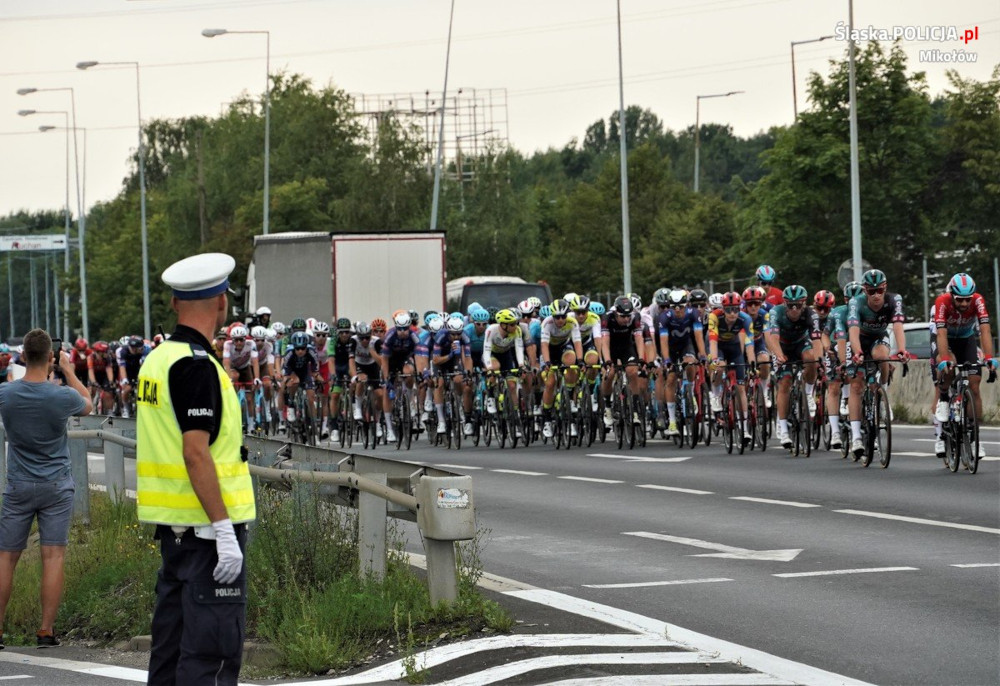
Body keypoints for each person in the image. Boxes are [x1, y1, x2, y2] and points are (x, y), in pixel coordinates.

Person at [136, 253, 256, 685]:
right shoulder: (195, 365)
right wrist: (223, 529)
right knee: (211, 659)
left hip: (174, 533)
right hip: (207, 533)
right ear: (222, 302)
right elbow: (195, 452)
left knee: (169, 657)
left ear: (174, 303)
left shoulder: (157, 359)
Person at [0, 328, 92, 648]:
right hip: (56, 485)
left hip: (19, 485)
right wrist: (68, 370)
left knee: (7, 557)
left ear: (23, 356)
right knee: (53, 557)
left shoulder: (6, 394)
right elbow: (88, 404)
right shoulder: (61, 396)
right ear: (51, 357)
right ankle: (45, 631)